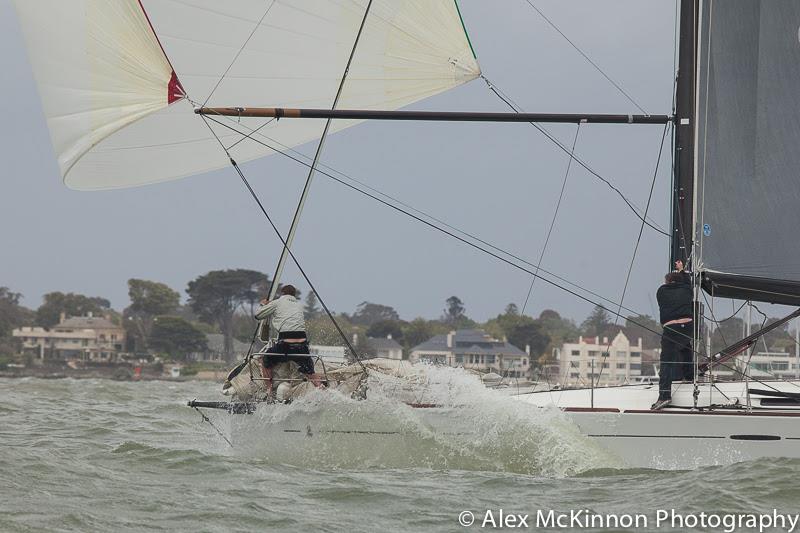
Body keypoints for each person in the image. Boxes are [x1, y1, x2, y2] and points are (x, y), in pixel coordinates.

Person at [254, 285, 321, 395]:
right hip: (302, 345)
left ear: (282, 294)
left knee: (264, 359)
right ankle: (322, 389)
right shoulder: (299, 305)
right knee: (310, 372)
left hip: (286, 345)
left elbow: (258, 315)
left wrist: (263, 304)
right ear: (294, 295)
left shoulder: (277, 302)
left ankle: (269, 391)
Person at [653, 264, 694, 410]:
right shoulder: (687, 289)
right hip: (688, 327)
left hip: (671, 328)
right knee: (685, 346)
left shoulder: (661, 291)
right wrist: (682, 269)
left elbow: (683, 283)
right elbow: (687, 281)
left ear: (667, 282)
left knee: (666, 363)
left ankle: (664, 396)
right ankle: (690, 377)